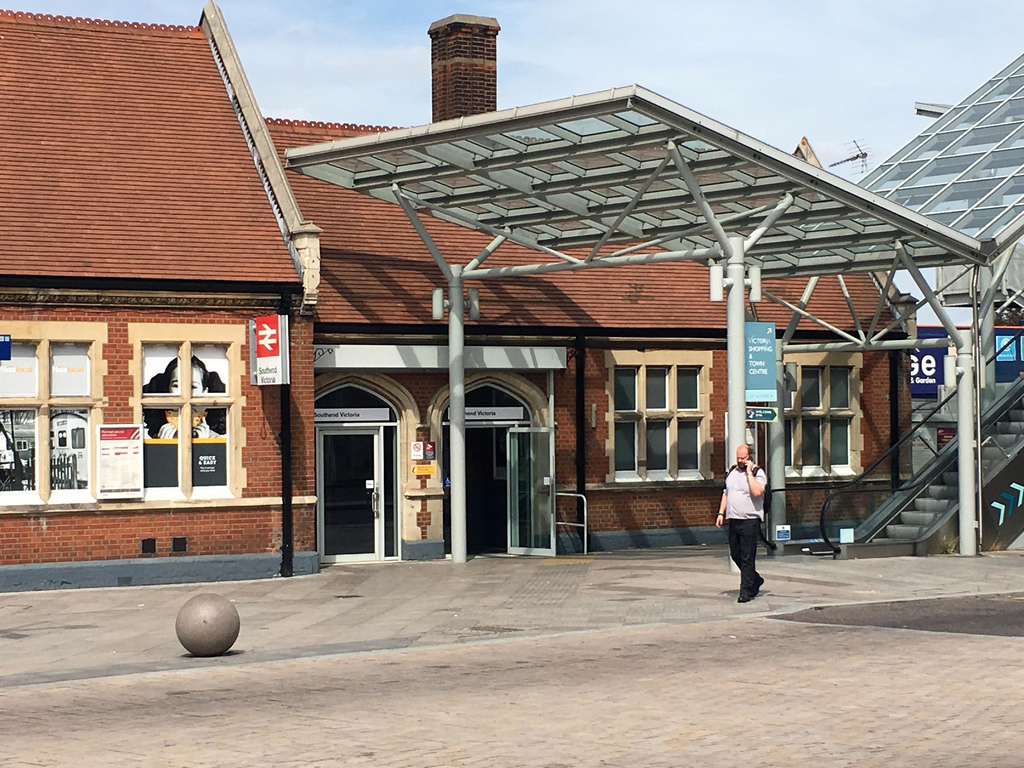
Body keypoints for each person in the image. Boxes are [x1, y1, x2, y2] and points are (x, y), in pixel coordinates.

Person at [716, 443, 767, 603]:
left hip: (750, 521)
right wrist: (721, 513)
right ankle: (755, 579)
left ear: (750, 457)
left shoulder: (758, 473)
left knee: (747, 557)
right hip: (734, 520)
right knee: (735, 554)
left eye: (743, 458)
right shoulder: (732, 472)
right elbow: (726, 493)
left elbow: (757, 492)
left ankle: (745, 591)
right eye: (738, 458)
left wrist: (749, 473)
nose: (740, 461)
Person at [142, 356, 226, 439]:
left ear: (205, 392)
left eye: (193, 386)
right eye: (176, 385)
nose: (184, 394)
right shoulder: (147, 439)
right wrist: (163, 446)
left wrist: (203, 445)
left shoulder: (219, 441)